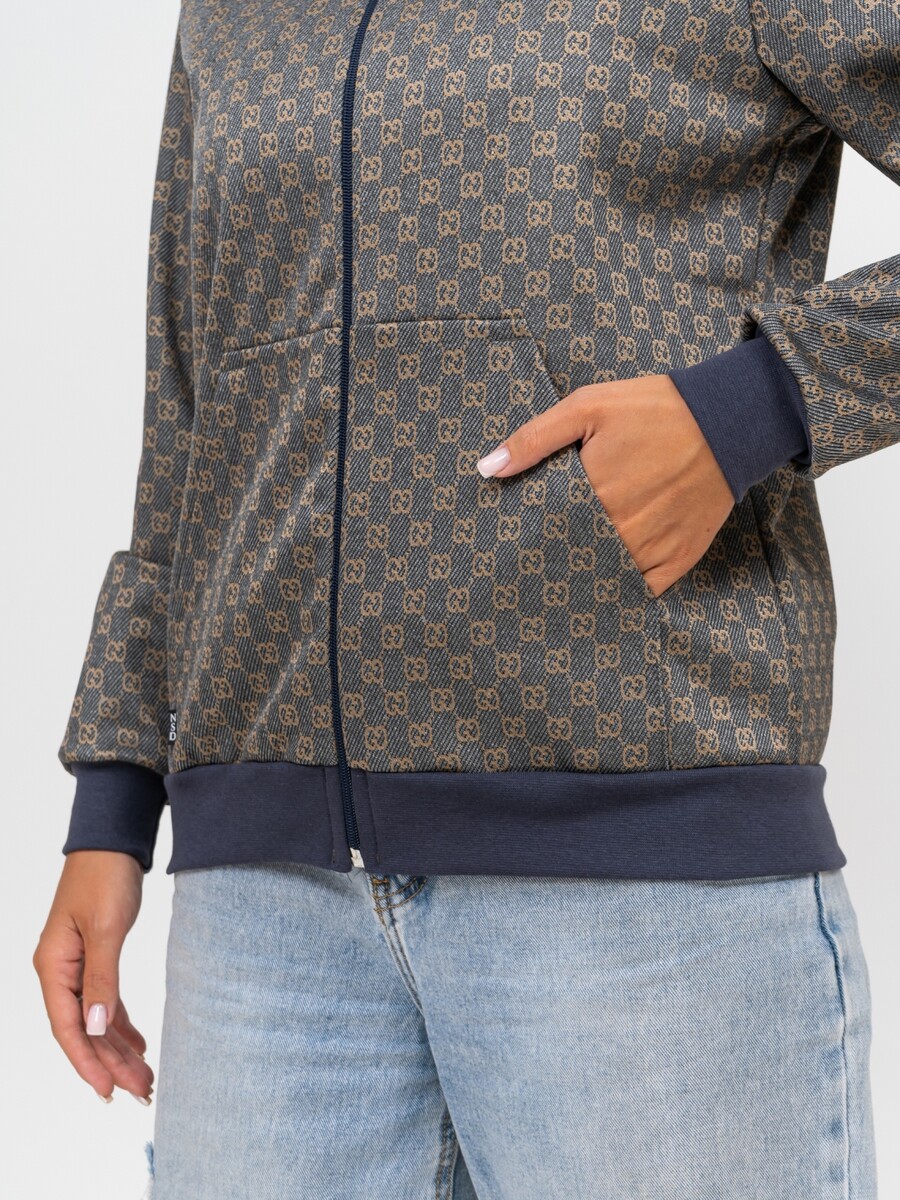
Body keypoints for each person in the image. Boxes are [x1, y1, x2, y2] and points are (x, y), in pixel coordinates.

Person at [34, 1, 896, 1195]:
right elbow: (190, 404)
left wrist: (758, 404)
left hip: (645, 886)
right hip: (267, 917)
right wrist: (115, 800)